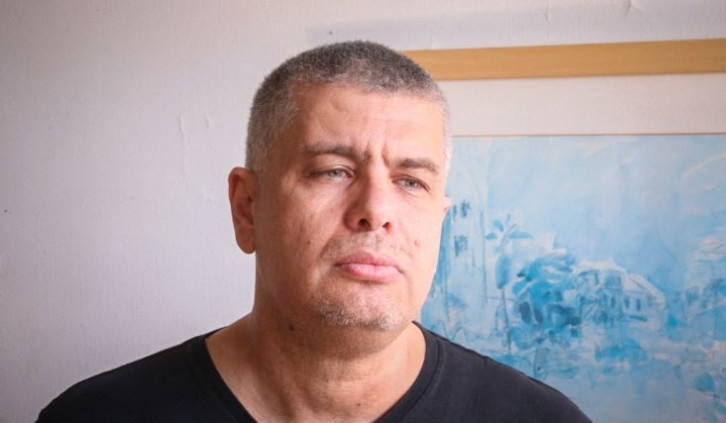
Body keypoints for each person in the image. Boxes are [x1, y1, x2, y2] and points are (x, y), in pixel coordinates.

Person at [38, 41, 591, 422]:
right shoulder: (96, 416)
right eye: (333, 171)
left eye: (411, 181)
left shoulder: (543, 420)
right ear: (247, 209)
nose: (377, 211)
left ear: (440, 220)